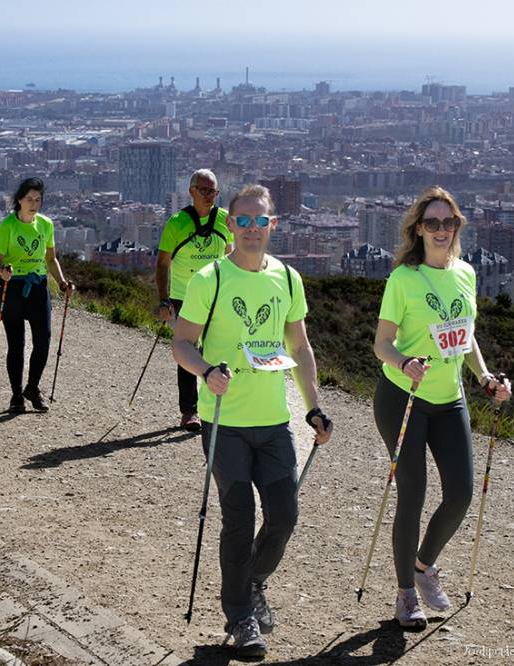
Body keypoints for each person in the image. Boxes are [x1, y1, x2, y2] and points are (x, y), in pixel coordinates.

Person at [172, 184, 333, 659]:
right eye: (242, 221)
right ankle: (240, 615)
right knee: (239, 519)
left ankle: (253, 581)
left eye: (260, 222)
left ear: (273, 225)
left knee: (285, 515)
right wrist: (204, 370)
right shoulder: (209, 279)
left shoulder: (287, 279)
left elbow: (300, 348)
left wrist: (314, 407)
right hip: (224, 421)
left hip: (274, 420)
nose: (250, 230)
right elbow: (181, 342)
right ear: (230, 224)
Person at [372, 186, 512, 629]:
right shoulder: (404, 278)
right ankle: (405, 594)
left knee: (461, 493)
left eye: (448, 222)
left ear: (457, 228)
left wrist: (485, 378)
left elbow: (464, 336)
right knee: (412, 495)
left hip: (449, 397)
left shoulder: (466, 274)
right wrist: (404, 362)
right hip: (403, 398)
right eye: (431, 222)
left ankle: (423, 565)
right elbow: (382, 343)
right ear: (418, 229)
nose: (440, 229)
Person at [157, 169, 233, 431]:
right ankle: (189, 411)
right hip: (183, 297)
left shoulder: (225, 220)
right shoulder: (177, 223)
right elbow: (162, 263)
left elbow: (230, 257)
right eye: (204, 190)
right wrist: (163, 300)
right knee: (188, 351)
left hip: (217, 296)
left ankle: (218, 404)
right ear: (191, 192)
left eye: (213, 191)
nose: (210, 195)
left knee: (220, 349)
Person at [0, 177, 72, 413]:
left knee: (43, 341)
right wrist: (2, 271)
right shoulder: (8, 225)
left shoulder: (46, 224)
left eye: (38, 199)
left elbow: (51, 258)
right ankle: (16, 395)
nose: (34, 203)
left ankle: (32, 387)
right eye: (29, 199)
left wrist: (62, 282)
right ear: (19, 200)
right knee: (16, 344)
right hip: (14, 287)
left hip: (38, 287)